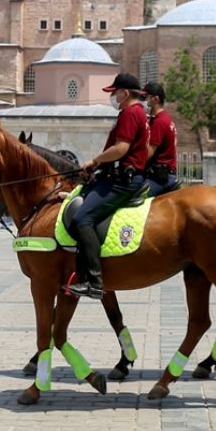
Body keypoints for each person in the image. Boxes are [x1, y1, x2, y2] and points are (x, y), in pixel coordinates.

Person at [68, 72, 150, 299]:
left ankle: (93, 282)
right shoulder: (138, 113)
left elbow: (121, 148)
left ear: (124, 93)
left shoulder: (131, 114)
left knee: (82, 218)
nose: (113, 97)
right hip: (119, 176)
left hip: (124, 181)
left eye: (115, 93)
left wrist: (94, 160)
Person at [141, 81, 179, 196]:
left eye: (146, 97)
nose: (144, 101)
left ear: (156, 99)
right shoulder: (166, 119)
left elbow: (149, 152)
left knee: (130, 196)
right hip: (163, 174)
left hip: (159, 178)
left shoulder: (159, 122)